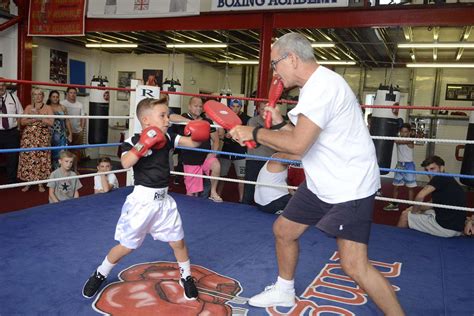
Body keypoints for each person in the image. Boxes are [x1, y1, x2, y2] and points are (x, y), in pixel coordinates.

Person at [229, 33, 404, 315]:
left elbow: (298, 144)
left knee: (354, 264)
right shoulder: (314, 87)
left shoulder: (323, 87)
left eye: (275, 64)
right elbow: (301, 141)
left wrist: (255, 132)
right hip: (322, 181)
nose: (274, 73)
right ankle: (284, 291)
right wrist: (280, 123)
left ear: (292, 59)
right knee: (284, 230)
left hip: (350, 186)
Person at [82, 97, 210, 300]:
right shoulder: (131, 141)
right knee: (127, 246)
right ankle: (101, 272)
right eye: (163, 115)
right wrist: (143, 144)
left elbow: (193, 143)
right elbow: (125, 163)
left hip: (164, 202)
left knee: (178, 243)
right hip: (142, 203)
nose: (167, 119)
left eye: (168, 115)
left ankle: (186, 276)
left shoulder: (169, 137)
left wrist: (201, 129)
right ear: (146, 120)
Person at [397, 155, 467, 238]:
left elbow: (420, 196)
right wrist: (412, 208)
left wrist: (413, 212)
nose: (429, 173)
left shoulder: (439, 178)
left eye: (432, 169)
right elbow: (430, 204)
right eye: (427, 170)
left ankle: (396, 241)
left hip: (445, 228)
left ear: (442, 168)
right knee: (424, 212)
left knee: (405, 215)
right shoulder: (448, 180)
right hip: (456, 228)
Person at [177, 96, 222, 202]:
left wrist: (213, 153)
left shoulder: (207, 121)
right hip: (190, 159)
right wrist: (191, 122)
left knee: (216, 165)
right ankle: (191, 212)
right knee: (193, 193)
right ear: (189, 106)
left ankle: (213, 192)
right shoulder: (183, 117)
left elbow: (216, 140)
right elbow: (171, 117)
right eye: (195, 106)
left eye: (200, 106)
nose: (198, 108)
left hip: (205, 156)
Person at [17, 88, 54, 193]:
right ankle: (28, 182)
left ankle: (40, 183)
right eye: (35, 94)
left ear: (43, 96)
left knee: (41, 158)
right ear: (32, 96)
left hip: (42, 136)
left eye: (40, 94)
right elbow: (22, 122)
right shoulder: (28, 107)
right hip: (29, 136)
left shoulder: (48, 108)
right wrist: (33, 119)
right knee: (28, 158)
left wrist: (39, 116)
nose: (37, 97)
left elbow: (51, 123)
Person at [241, 101, 276, 205]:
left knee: (266, 188)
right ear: (258, 110)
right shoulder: (253, 121)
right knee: (250, 189)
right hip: (254, 159)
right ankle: (245, 211)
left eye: (267, 109)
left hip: (271, 160)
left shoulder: (276, 122)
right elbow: (255, 138)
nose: (265, 111)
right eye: (262, 109)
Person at [217, 99, 250, 202]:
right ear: (230, 107)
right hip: (226, 149)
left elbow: (248, 135)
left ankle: (241, 200)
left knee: (241, 177)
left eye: (238, 106)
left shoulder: (247, 119)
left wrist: (236, 135)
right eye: (233, 106)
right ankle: (217, 195)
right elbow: (220, 134)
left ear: (241, 107)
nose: (235, 109)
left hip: (240, 150)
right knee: (221, 176)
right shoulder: (225, 117)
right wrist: (223, 135)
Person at [384, 123, 417, 211]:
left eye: (406, 132)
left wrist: (388, 134)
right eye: (402, 132)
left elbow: (400, 141)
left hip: (409, 165)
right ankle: (394, 204)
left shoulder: (410, 141)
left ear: (409, 132)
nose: (403, 134)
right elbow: (397, 140)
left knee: (410, 187)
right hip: (399, 165)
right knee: (396, 186)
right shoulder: (398, 139)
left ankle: (410, 205)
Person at [0, 79, 23, 184]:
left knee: (12, 157)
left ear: (6, 86)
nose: (1, 87)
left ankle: (11, 180)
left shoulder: (14, 97)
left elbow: (20, 114)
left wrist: (18, 128)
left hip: (12, 132)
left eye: (3, 85)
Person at [47, 90, 72, 170]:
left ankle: (61, 171)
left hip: (62, 133)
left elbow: (67, 121)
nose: (55, 98)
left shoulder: (62, 107)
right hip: (50, 133)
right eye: (53, 97)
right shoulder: (46, 107)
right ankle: (51, 172)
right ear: (50, 98)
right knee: (50, 153)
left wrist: (70, 133)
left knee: (62, 153)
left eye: (57, 97)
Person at [60, 87, 85, 161]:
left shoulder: (80, 105)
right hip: (66, 131)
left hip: (77, 131)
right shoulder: (62, 103)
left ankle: (75, 168)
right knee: (67, 151)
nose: (73, 94)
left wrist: (81, 129)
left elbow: (83, 117)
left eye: (74, 93)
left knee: (77, 151)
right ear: (67, 94)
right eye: (71, 92)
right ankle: (67, 168)